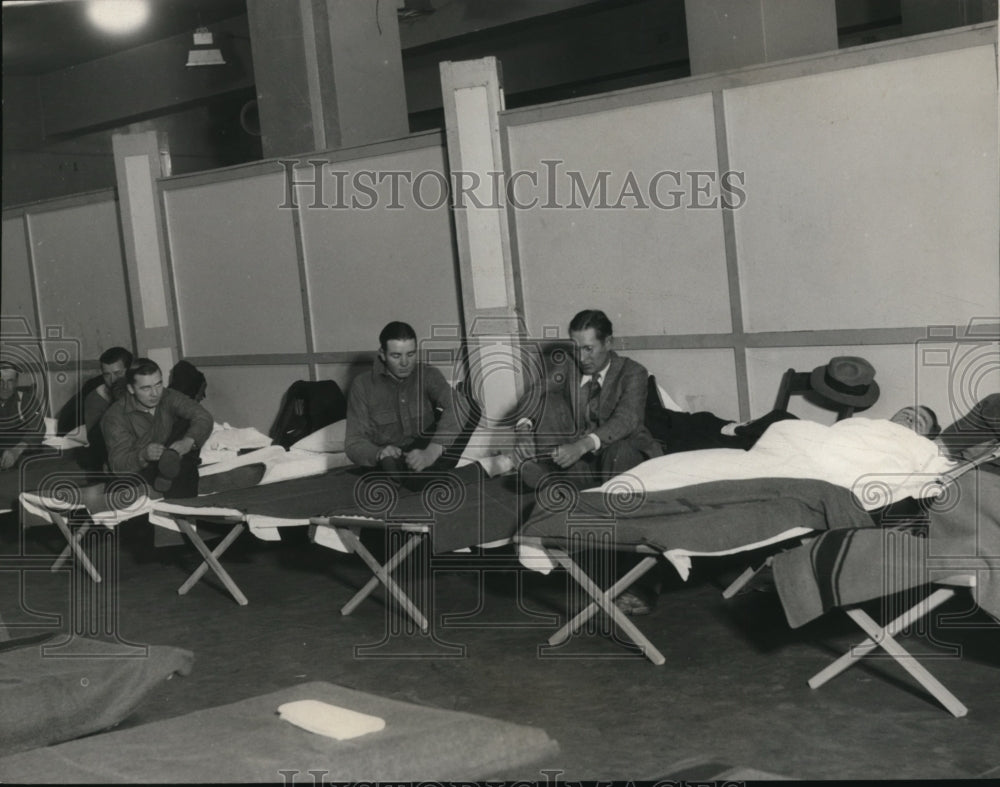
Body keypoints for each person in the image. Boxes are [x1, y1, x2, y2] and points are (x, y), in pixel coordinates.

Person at [516, 309, 662, 490]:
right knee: (548, 401)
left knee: (619, 452)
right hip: (584, 460)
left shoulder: (633, 372)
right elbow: (535, 391)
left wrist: (581, 446)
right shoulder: (569, 366)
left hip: (622, 453)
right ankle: (554, 475)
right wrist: (523, 429)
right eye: (576, 349)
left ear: (608, 343)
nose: (581, 358)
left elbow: (627, 419)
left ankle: (567, 486)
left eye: (588, 349)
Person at [345, 321, 461, 478]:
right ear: (382, 354)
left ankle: (420, 475)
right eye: (396, 356)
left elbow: (460, 406)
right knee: (418, 477)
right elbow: (354, 442)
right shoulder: (362, 385)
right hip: (392, 456)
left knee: (469, 406)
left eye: (411, 354)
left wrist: (432, 451)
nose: (405, 363)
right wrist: (379, 453)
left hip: (426, 449)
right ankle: (421, 476)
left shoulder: (428, 374)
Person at [101, 358, 213, 496]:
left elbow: (203, 416)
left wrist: (188, 441)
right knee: (184, 468)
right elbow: (118, 465)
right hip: (139, 468)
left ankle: (169, 475)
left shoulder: (167, 395)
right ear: (130, 389)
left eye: (158, 384)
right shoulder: (114, 417)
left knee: (189, 426)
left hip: (169, 456)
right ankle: (174, 490)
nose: (155, 393)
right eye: (146, 388)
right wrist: (143, 455)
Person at [77, 346, 133, 470]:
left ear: (129, 371)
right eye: (107, 375)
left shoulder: (138, 389)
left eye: (118, 373)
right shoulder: (95, 399)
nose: (112, 380)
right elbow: (97, 439)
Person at [0, 360, 45, 471]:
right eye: (0, 381)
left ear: (16, 382)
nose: (5, 387)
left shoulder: (27, 399)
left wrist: (17, 450)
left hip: (23, 451)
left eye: (10, 381)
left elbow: (39, 428)